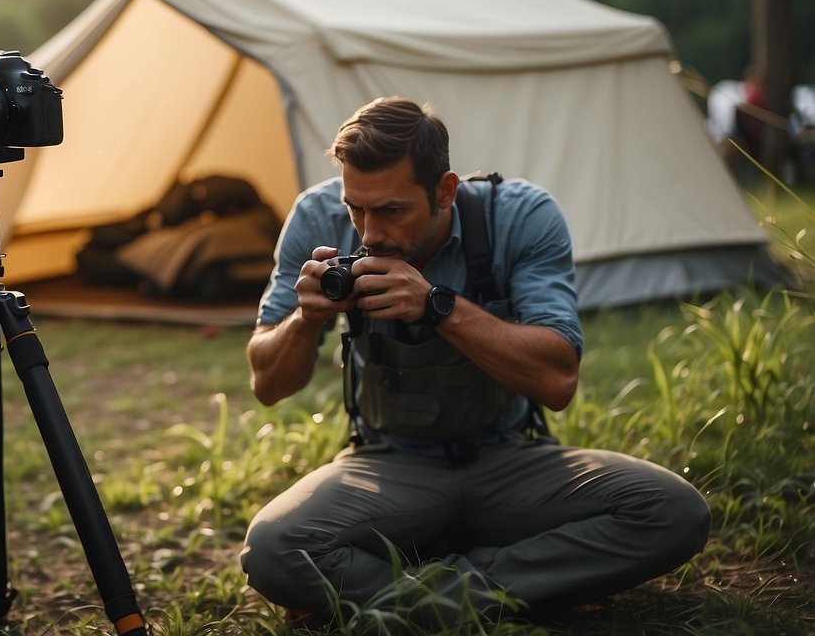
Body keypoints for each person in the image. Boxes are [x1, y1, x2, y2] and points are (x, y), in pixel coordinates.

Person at [239, 97, 710, 623]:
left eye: (392, 211)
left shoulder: (521, 215)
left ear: (445, 191)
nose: (369, 233)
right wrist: (306, 320)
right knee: (274, 549)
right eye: (356, 209)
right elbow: (267, 382)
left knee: (674, 512)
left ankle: (409, 593)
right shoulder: (315, 215)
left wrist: (436, 306)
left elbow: (558, 381)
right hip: (387, 466)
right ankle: (503, 589)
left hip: (509, 459)